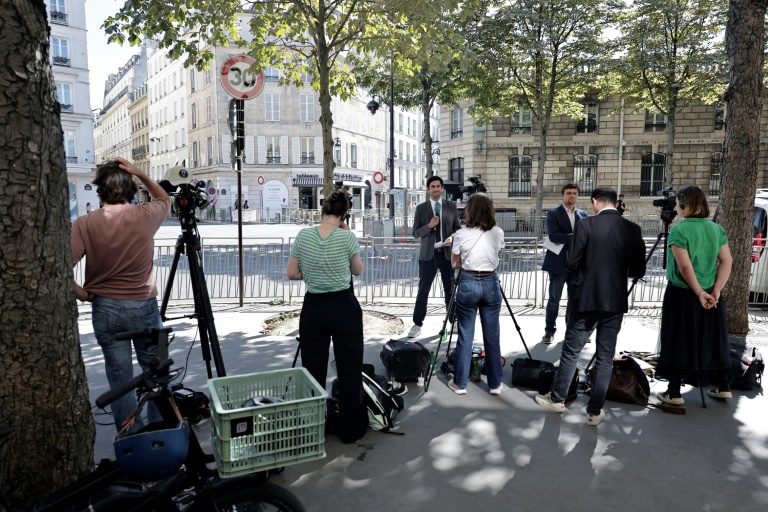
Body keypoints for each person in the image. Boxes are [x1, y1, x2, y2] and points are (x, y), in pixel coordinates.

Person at [71, 157, 170, 433]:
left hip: (105, 310)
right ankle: (162, 431)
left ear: (100, 190)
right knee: (157, 369)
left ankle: (131, 440)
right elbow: (164, 198)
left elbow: (58, 266)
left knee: (120, 379)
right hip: (144, 307)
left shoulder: (84, 224)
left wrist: (80, 293)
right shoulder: (146, 215)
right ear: (130, 190)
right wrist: (141, 174)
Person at [535, 187, 646, 426]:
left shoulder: (585, 226)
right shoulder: (633, 229)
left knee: (571, 352)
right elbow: (638, 270)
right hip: (615, 300)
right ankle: (595, 411)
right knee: (605, 357)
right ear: (616, 203)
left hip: (585, 299)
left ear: (595, 202)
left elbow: (570, 261)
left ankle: (558, 399)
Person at [287, 191, 368, 444]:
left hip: (314, 309)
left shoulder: (303, 236)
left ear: (322, 210)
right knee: (349, 368)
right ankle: (351, 429)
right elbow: (357, 271)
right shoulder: (347, 237)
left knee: (312, 370)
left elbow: (292, 273)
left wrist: (313, 274)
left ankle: (312, 430)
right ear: (344, 214)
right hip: (344, 307)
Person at [655, 186, 733, 404]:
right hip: (711, 292)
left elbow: (685, 268)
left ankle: (674, 392)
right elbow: (727, 261)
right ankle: (723, 385)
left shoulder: (680, 230)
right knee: (712, 337)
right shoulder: (716, 229)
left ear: (684, 204)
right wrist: (715, 290)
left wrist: (698, 292)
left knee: (678, 338)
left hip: (683, 294)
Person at [448, 194, 506, 395]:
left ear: (469, 211)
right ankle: (495, 384)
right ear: (490, 210)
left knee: (465, 335)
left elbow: (455, 264)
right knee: (492, 336)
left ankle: (460, 383)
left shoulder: (460, 234)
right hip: (490, 282)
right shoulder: (497, 232)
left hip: (468, 282)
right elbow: (495, 254)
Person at [408, 175, 461, 338]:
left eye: (439, 186)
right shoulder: (421, 208)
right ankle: (417, 324)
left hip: (446, 254)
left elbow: (457, 229)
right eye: (433, 186)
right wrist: (429, 226)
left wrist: (452, 238)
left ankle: (454, 321)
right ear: (428, 189)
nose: (436, 189)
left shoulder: (451, 206)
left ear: (442, 188)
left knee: (450, 290)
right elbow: (416, 233)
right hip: (427, 255)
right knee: (423, 290)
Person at [541, 184, 588, 344]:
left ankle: (572, 331)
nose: (571, 196)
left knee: (574, 300)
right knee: (554, 299)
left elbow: (587, 236)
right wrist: (577, 237)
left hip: (577, 264)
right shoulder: (553, 214)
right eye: (568, 193)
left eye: (574, 193)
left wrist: (573, 237)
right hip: (557, 263)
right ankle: (549, 331)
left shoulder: (583, 214)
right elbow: (554, 236)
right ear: (562, 195)